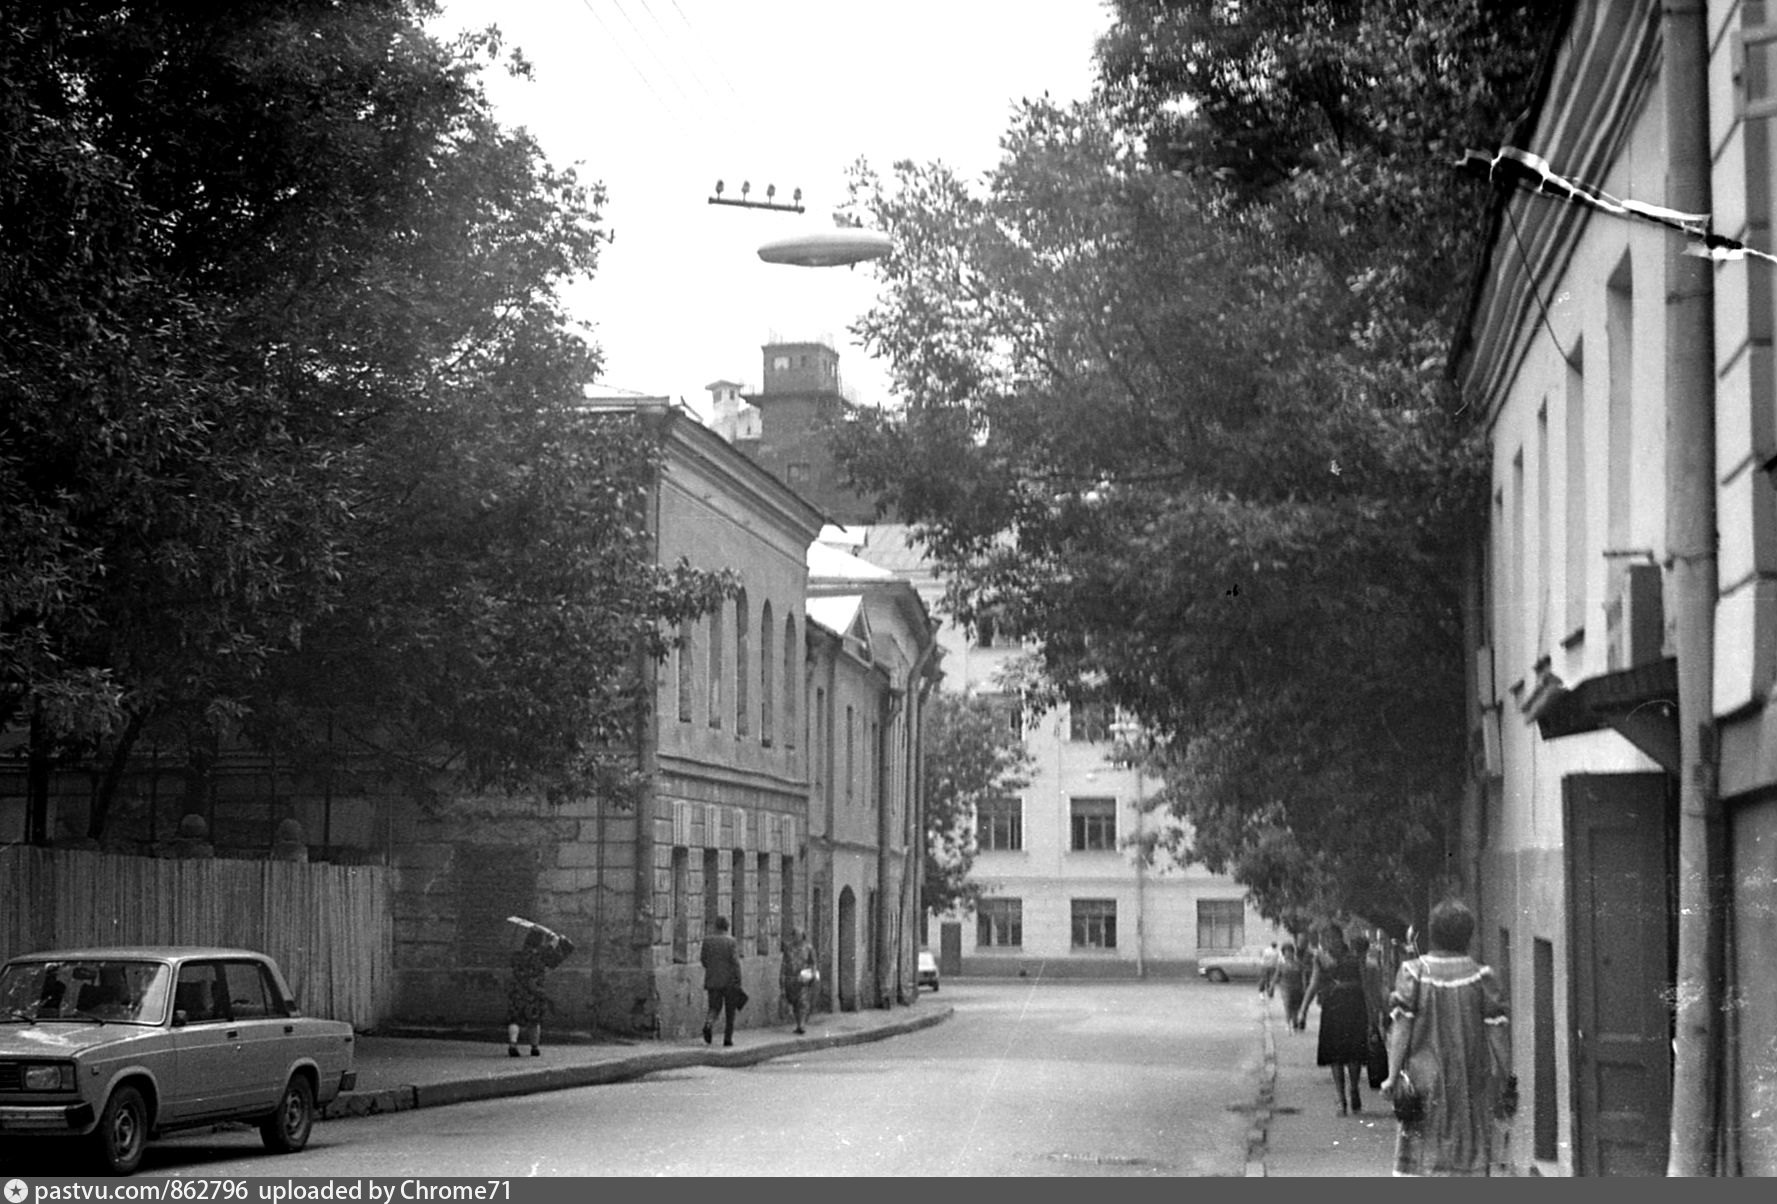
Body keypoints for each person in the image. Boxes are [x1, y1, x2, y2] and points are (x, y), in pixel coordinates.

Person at [1382, 898, 1513, 1176]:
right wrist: (1506, 1076)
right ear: (1468, 935)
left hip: (1422, 1084)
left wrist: (1392, 1077)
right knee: (1469, 1160)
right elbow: (1497, 1033)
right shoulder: (1482, 977)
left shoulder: (1413, 973)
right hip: (1471, 1084)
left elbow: (1401, 1029)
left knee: (1421, 1163)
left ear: (1432, 933)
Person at [1296, 921, 1370, 1114]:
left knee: (1354, 1054)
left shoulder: (1355, 956)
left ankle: (1353, 1089)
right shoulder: (1320, 959)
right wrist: (1302, 1010)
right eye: (1325, 939)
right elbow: (1313, 984)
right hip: (1333, 1008)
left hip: (1354, 1007)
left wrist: (1373, 1012)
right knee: (1335, 1056)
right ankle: (1340, 1097)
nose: (1328, 943)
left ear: (1339, 938)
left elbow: (1365, 984)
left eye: (1331, 938)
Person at [505, 925, 574, 1057]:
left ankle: (513, 1044)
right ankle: (534, 1047)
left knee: (514, 1018)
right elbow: (555, 943)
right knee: (534, 1020)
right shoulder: (542, 954)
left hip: (518, 989)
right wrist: (550, 934)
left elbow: (512, 964)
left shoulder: (518, 955)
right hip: (535, 990)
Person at [700, 914, 743, 1047]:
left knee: (714, 1007)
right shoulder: (731, 942)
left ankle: (709, 1023)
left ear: (715, 926)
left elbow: (703, 959)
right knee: (730, 1011)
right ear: (727, 927)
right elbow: (735, 962)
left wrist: (712, 969)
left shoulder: (707, 941)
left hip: (712, 980)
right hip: (729, 982)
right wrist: (738, 979)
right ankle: (727, 1039)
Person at [779, 926, 818, 1034]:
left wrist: (813, 974)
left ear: (802, 936)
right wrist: (782, 979)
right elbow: (784, 964)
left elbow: (813, 962)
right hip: (791, 979)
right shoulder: (789, 948)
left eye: (798, 935)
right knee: (795, 1002)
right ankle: (798, 1024)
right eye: (795, 935)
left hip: (803, 978)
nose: (796, 937)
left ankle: (802, 1025)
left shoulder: (808, 948)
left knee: (803, 1001)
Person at [1277, 942, 1307, 1031]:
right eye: (1286, 952)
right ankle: (1288, 1023)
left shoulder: (1298, 963)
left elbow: (1303, 974)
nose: (1288, 954)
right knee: (1287, 1004)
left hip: (1297, 988)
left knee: (1296, 1007)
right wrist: (1271, 987)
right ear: (1283, 953)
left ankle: (1294, 1022)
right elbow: (1277, 975)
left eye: (1290, 951)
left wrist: (1304, 986)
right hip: (1285, 988)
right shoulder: (1281, 965)